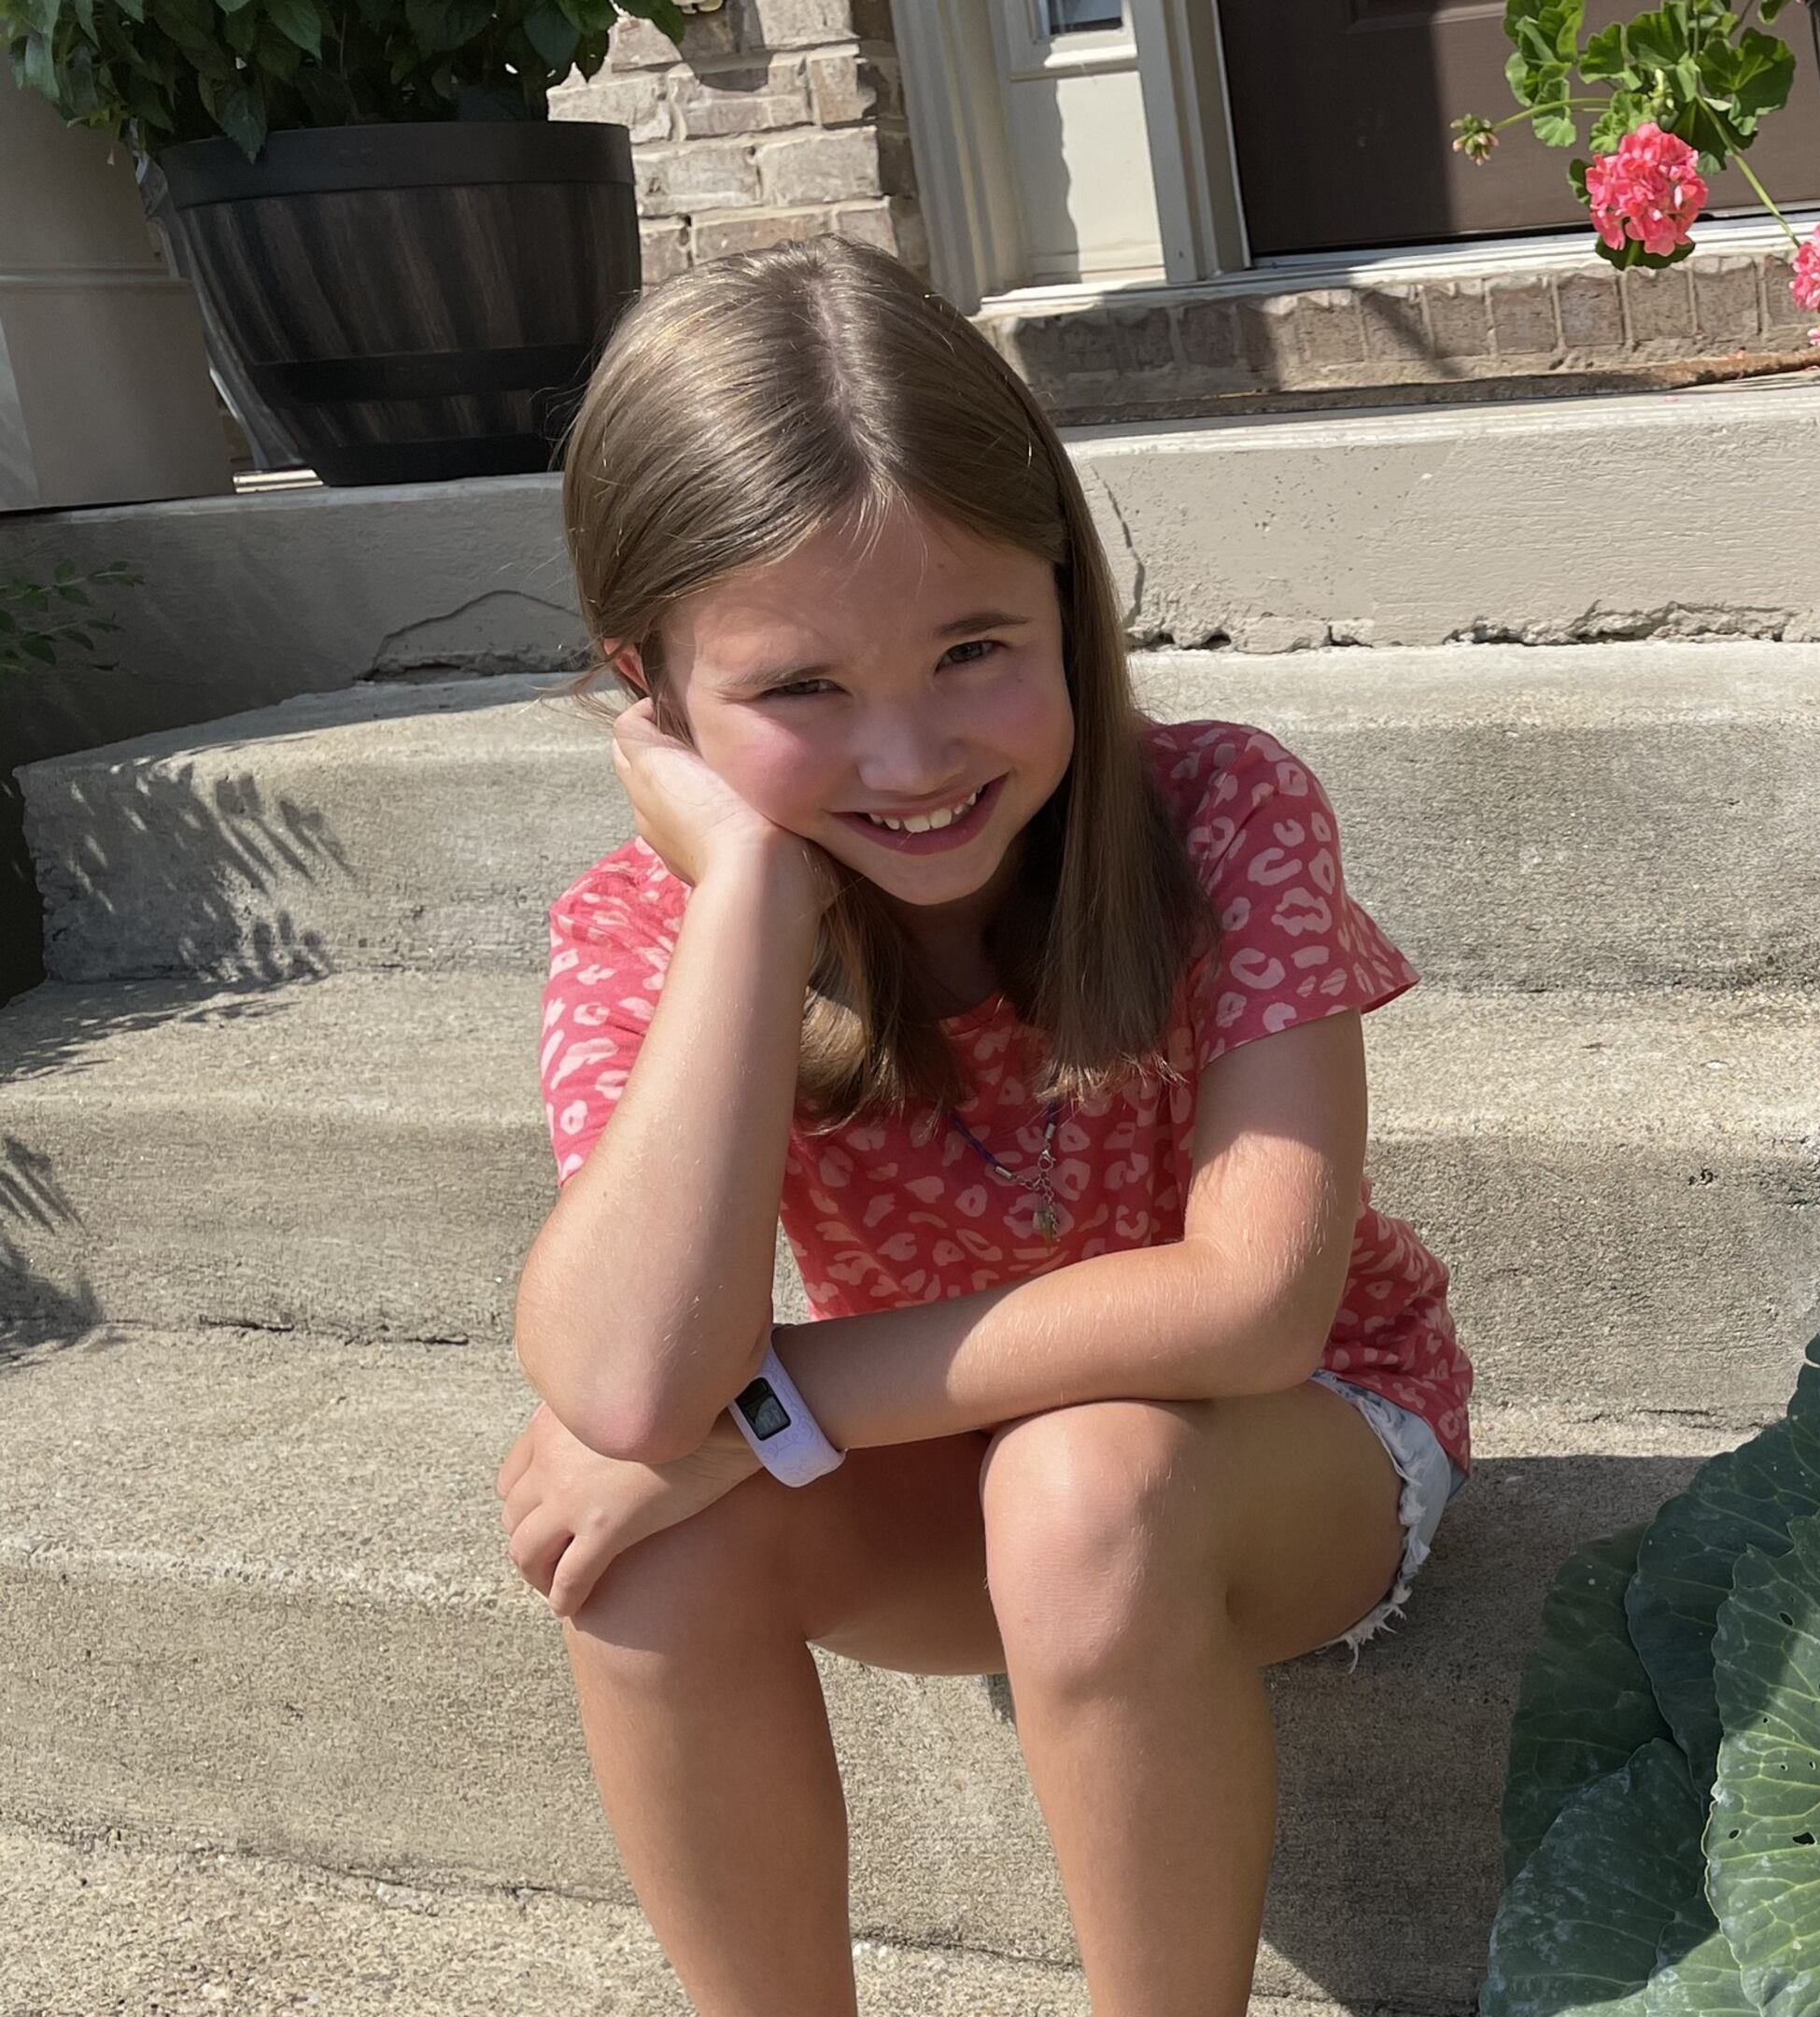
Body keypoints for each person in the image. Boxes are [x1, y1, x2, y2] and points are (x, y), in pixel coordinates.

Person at [496, 236, 1470, 2017]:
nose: (909, 752)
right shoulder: (653, 928)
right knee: (648, 1540)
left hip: (1287, 1454)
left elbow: (1252, 1309)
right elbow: (631, 1390)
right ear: (654, 691)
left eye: (971, 649)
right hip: (965, 1489)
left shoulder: (1227, 812)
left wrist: (770, 1405)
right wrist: (746, 914)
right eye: (800, 690)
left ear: (1065, 602)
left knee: (1087, 1475)